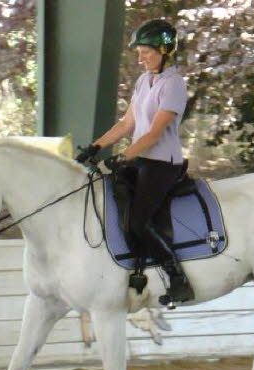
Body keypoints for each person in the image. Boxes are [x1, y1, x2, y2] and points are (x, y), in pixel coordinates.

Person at [76, 19, 194, 304]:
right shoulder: (144, 81)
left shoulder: (174, 84)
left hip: (162, 163)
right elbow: (127, 123)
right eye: (139, 52)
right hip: (140, 159)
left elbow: (154, 133)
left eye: (146, 52)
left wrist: (120, 158)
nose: (140, 58)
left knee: (139, 222)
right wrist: (95, 147)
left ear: (165, 50)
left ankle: (177, 277)